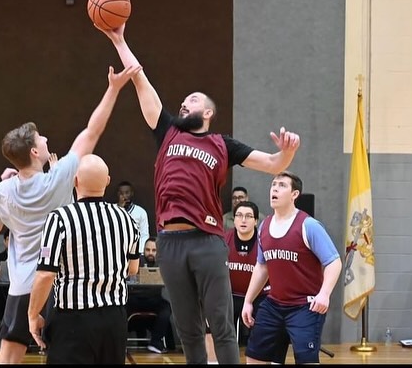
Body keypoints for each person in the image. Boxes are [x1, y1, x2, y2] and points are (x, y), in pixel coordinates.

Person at [97, 23, 300, 364]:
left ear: (207, 113)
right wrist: (119, 40)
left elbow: (272, 163)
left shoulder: (223, 144)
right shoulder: (167, 132)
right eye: (182, 101)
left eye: (191, 101)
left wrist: (287, 154)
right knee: (186, 326)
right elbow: (139, 79)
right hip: (170, 243)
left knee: (219, 325)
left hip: (206, 240)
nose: (183, 103)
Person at [0, 64, 142, 363]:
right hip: (59, 285)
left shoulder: (1, 191)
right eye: (41, 139)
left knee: (9, 354)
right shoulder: (59, 177)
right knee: (62, 353)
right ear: (33, 152)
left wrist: (1, 189)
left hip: (22, 285)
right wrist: (113, 88)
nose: (45, 140)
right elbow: (92, 131)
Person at [27, 154, 140, 364]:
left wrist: (33, 316)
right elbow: (132, 269)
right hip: (114, 319)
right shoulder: (127, 219)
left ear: (75, 181)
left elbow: (45, 274)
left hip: (73, 319)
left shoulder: (59, 218)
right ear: (107, 182)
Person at [242, 171, 342, 364]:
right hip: (274, 304)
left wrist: (324, 294)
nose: (274, 189)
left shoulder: (309, 226)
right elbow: (262, 266)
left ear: (294, 194)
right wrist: (248, 301)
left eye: (281, 185)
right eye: (273, 184)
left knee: (306, 360)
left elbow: (334, 262)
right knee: (254, 356)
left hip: (305, 306)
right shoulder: (263, 226)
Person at [205, 201, 288, 364]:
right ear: (233, 220)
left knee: (274, 327)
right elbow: (211, 271)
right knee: (214, 326)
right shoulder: (222, 240)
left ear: (256, 221)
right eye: (239, 216)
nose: (243, 220)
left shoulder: (265, 240)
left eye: (249, 216)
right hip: (230, 294)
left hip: (260, 295)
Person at [126, 237, 174, 354]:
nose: (150, 253)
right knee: (121, 308)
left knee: (166, 307)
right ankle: (120, 342)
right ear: (143, 250)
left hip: (154, 300)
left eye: (153, 250)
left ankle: (156, 343)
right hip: (135, 299)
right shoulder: (137, 261)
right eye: (147, 250)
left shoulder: (163, 264)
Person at [117, 180, 150, 253]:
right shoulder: (112, 210)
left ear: (132, 193)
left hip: (135, 250)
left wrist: (140, 252)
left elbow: (144, 234)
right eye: (121, 193)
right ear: (118, 194)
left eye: (127, 193)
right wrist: (120, 207)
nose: (124, 196)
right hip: (118, 250)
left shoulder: (141, 212)